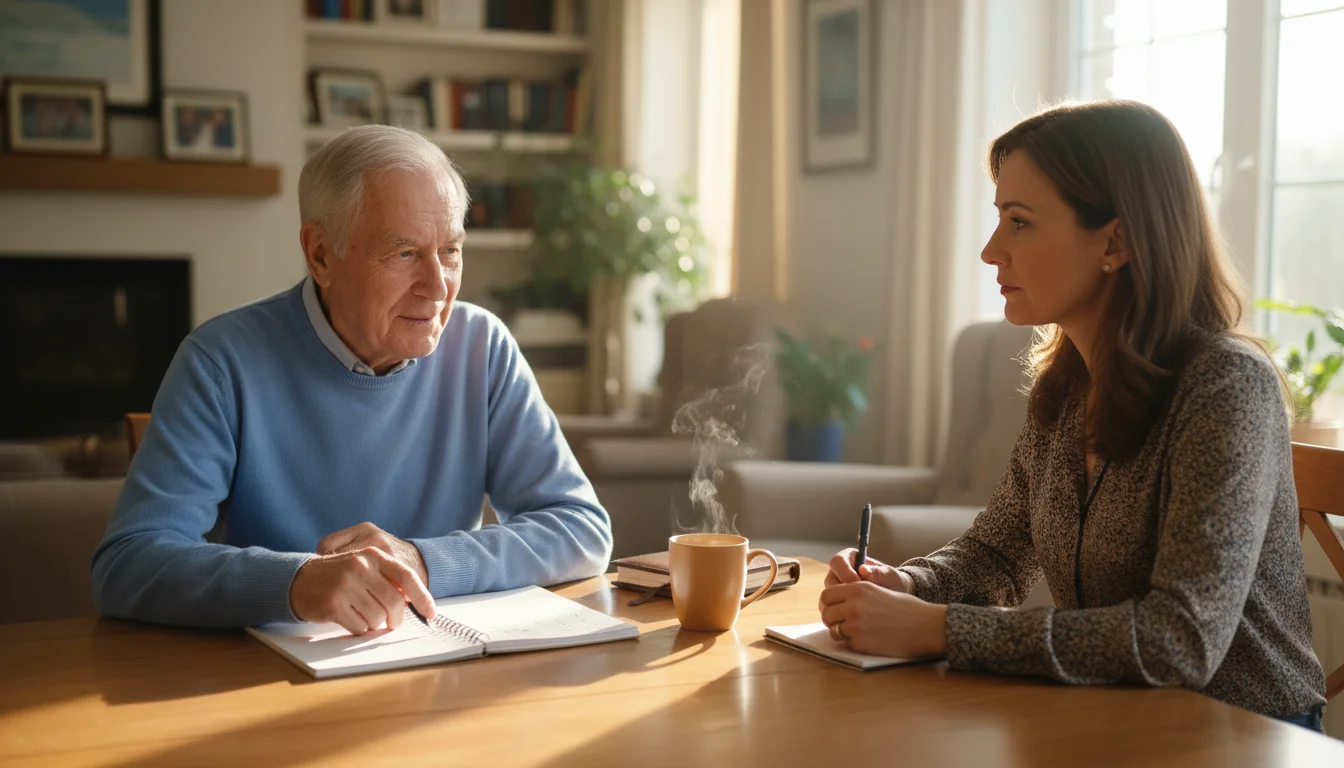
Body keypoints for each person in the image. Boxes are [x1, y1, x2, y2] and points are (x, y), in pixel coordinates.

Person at [819, 100, 1328, 730]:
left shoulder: (1225, 386)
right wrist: (908, 586)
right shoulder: (1066, 385)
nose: (989, 250)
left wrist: (942, 629)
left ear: (1114, 240)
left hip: (1239, 737)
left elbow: (1179, 640)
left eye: (1019, 222)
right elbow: (998, 554)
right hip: (1107, 718)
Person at [92, 125, 612, 635]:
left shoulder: (484, 347)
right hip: (268, 684)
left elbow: (581, 529)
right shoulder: (221, 361)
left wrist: (421, 561)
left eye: (450, 250)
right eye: (404, 253)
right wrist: (295, 582)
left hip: (444, 666)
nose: (437, 287)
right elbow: (128, 563)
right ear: (320, 254)